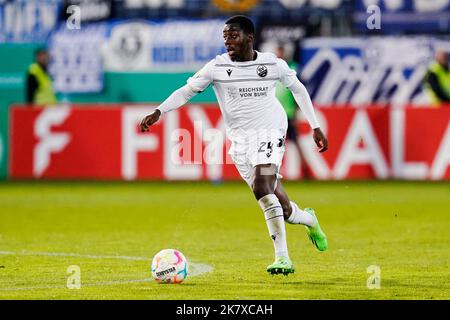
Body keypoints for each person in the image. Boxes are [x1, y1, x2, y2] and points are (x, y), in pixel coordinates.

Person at [140, 15, 329, 276]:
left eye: (233, 36)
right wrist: (159, 111)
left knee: (261, 187)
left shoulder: (271, 63)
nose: (228, 41)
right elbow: (186, 91)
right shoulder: (216, 67)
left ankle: (282, 258)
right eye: (225, 37)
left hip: (271, 130)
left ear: (249, 37)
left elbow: (298, 89)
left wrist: (315, 125)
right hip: (241, 141)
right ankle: (309, 220)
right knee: (282, 207)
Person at [275, 44, 309, 178]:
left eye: (281, 52)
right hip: (275, 115)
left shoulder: (292, 69)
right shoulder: (272, 71)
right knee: (276, 144)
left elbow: (298, 93)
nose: (279, 55)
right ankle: (274, 172)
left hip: (288, 114)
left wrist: (295, 113)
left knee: (295, 142)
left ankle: (305, 170)